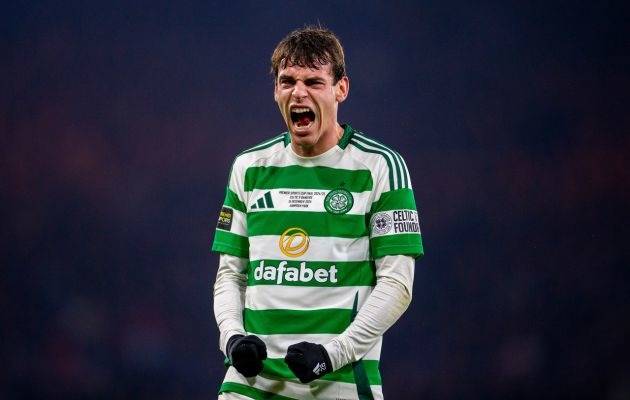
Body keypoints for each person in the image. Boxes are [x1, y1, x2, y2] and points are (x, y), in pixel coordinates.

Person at [211, 26, 424, 400]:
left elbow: (397, 285)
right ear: (276, 91)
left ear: (341, 88)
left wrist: (331, 355)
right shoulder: (249, 167)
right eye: (287, 81)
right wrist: (232, 339)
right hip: (252, 384)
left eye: (313, 81)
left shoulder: (381, 167)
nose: (298, 92)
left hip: (338, 383)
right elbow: (231, 273)